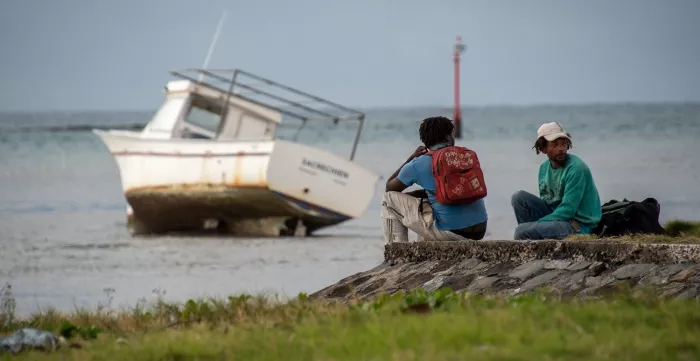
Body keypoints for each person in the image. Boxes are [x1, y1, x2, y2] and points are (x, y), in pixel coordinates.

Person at [382, 116, 488, 243]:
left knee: (388, 200)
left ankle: (396, 252)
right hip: (480, 230)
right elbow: (448, 192)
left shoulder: (418, 163)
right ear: (450, 136)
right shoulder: (465, 156)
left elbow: (390, 188)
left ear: (424, 140)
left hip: (452, 233)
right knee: (430, 204)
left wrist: (410, 159)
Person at [511, 121, 602, 240]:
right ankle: (532, 241)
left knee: (521, 231)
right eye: (554, 145)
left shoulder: (576, 169)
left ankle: (530, 238)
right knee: (518, 198)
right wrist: (537, 225)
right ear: (543, 149)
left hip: (576, 225)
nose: (561, 149)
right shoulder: (544, 168)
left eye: (563, 144)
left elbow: (567, 211)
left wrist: (536, 225)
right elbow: (547, 201)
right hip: (555, 217)